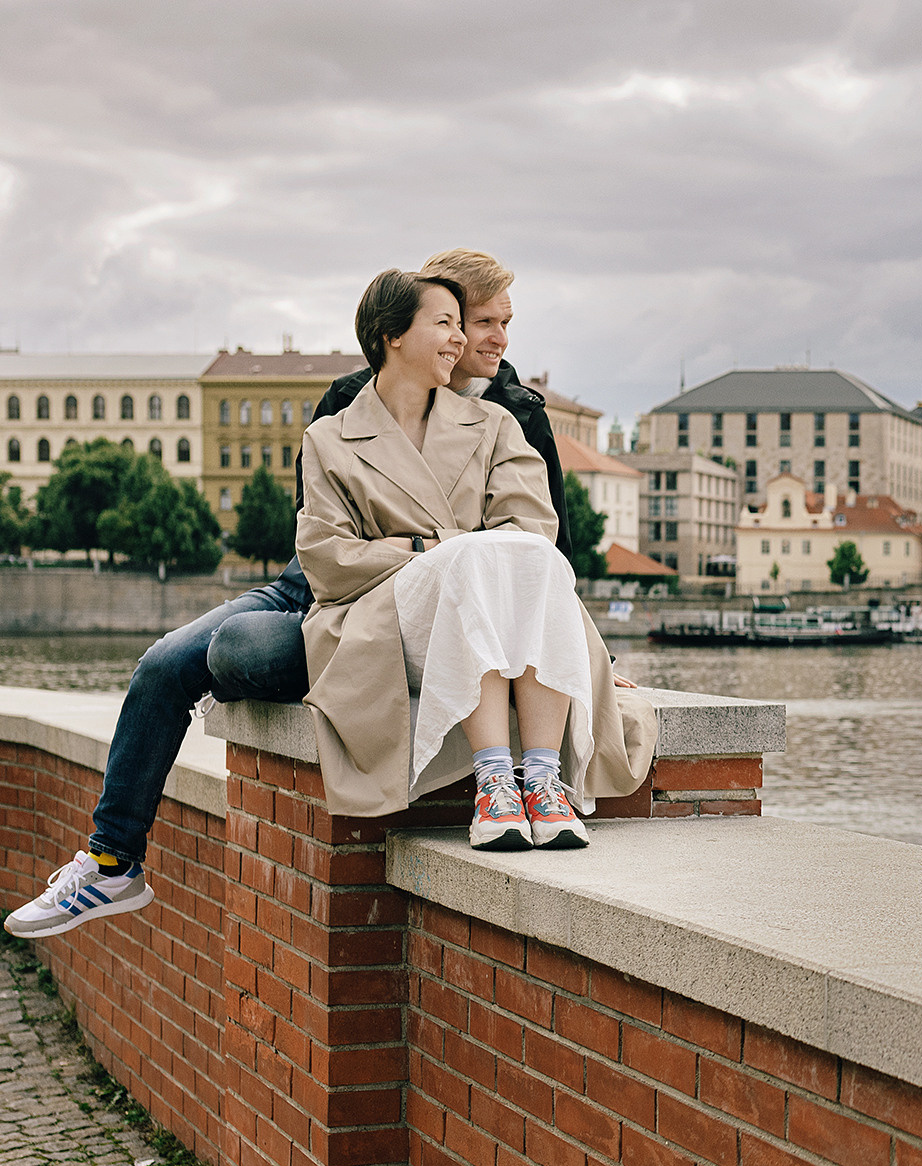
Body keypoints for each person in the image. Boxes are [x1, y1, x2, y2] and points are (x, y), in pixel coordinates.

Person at [5, 250, 576, 939]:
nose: (489, 339)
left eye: (498, 323)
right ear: (405, 331)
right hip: (313, 586)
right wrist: (410, 552)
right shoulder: (347, 398)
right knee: (164, 663)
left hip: (418, 609)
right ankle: (111, 862)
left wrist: (574, 647)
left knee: (238, 650)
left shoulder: (517, 415)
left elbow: (542, 556)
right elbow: (321, 532)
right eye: (473, 321)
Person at [295, 269, 656, 846]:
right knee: (474, 559)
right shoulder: (330, 438)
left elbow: (533, 533)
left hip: (494, 613)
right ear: (391, 334)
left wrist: (413, 545)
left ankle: (539, 780)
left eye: (463, 326)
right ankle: (494, 781)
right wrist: (437, 552)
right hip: (386, 624)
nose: (461, 339)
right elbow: (326, 557)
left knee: (516, 559)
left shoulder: (495, 425)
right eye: (445, 324)